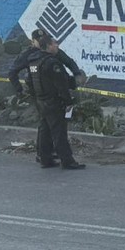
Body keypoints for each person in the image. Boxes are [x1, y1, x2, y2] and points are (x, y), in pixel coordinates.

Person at [28, 33, 84, 170]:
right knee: (59, 132)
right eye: (54, 44)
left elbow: (29, 82)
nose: (57, 46)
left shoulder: (33, 61)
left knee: (45, 130)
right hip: (53, 102)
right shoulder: (52, 63)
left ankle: (45, 159)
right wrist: (68, 101)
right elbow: (62, 85)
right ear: (48, 46)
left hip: (41, 100)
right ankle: (67, 161)